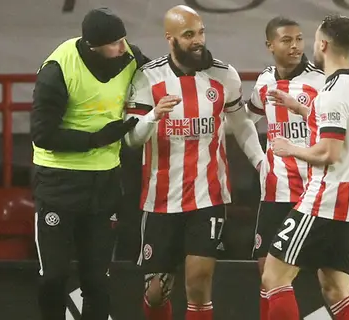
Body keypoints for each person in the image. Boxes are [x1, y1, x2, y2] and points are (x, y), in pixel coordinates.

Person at [123, 5, 265, 320]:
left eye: (201, 32)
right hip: (160, 201)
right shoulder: (148, 77)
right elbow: (131, 139)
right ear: (170, 38)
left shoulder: (224, 75)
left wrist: (261, 162)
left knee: (199, 283)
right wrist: (152, 116)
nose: (198, 40)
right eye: (189, 35)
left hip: (208, 196)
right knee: (157, 292)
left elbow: (241, 124)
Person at [30, 7, 150, 320]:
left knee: (98, 280)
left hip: (104, 183)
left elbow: (164, 74)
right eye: (115, 43)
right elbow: (43, 135)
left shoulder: (130, 57)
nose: (124, 48)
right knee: (53, 277)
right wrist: (98, 139)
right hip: (58, 182)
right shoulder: (58, 68)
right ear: (93, 45)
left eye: (125, 39)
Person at [260, 14, 349, 320]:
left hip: (323, 200)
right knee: (336, 288)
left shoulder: (330, 94)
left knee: (274, 276)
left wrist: (290, 149)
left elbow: (329, 153)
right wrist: (300, 107)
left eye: (311, 39)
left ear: (323, 44)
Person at [246, 17, 325, 315]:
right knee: (267, 274)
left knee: (329, 280)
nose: (295, 46)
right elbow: (245, 120)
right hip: (275, 191)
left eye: (299, 39)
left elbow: (335, 129)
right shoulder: (265, 81)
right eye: (286, 40)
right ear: (270, 45)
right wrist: (257, 158)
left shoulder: (321, 81)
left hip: (313, 192)